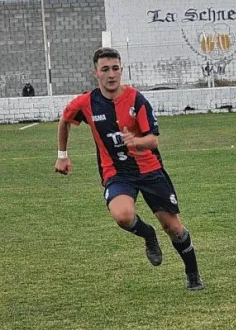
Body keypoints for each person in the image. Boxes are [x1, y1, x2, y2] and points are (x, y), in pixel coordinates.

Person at [55, 48, 203, 291]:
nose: (111, 74)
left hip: (149, 170)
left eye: (115, 68)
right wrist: (62, 156)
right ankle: (148, 235)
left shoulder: (136, 99)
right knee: (122, 216)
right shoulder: (86, 103)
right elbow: (65, 120)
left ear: (121, 70)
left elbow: (153, 140)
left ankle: (193, 273)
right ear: (95, 73)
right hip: (116, 173)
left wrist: (136, 141)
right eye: (105, 69)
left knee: (174, 228)